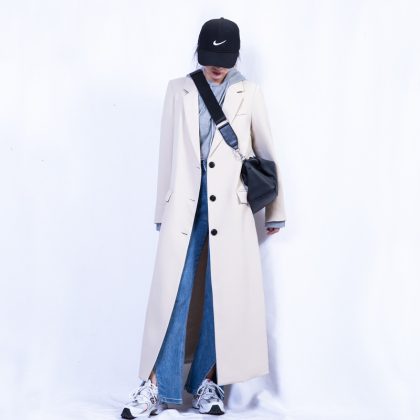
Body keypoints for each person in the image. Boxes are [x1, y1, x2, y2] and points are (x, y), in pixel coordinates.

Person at [121, 17, 286, 419]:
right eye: (211, 58)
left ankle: (207, 382)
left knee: (221, 294)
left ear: (236, 57)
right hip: (185, 204)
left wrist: (276, 211)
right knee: (174, 294)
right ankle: (156, 387)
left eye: (225, 60)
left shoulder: (249, 92)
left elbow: (266, 150)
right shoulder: (178, 89)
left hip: (232, 206)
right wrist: (162, 208)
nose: (217, 67)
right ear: (199, 53)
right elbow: (167, 152)